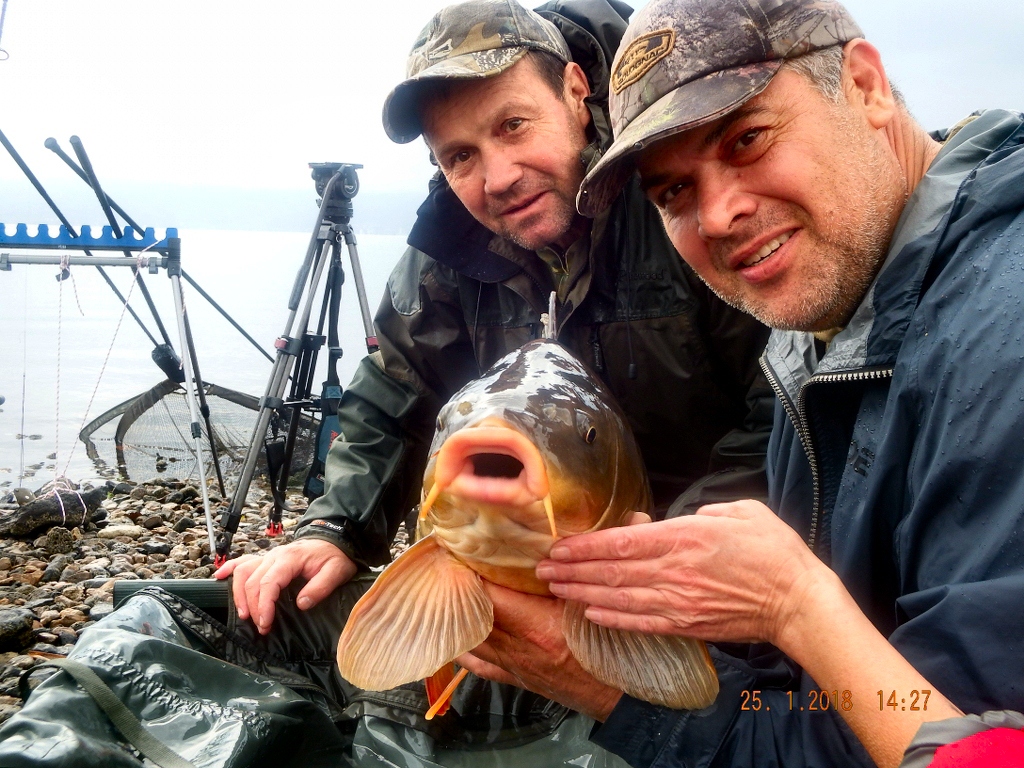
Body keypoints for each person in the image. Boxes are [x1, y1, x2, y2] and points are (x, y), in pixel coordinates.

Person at [452, 0, 1024, 766]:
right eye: (673, 194)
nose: (717, 215)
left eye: (748, 139)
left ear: (865, 85)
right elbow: (814, 697)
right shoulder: (818, 324)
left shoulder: (1001, 336)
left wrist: (613, 679)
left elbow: (950, 742)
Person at [216, 0, 770, 644]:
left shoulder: (679, 194)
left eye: (512, 125)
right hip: (530, 538)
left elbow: (784, 406)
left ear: (574, 89)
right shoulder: (446, 250)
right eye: (459, 157)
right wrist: (336, 527)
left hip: (705, 549)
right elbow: (394, 392)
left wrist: (680, 541)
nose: (497, 178)